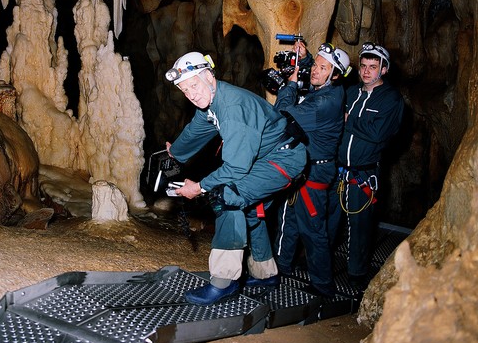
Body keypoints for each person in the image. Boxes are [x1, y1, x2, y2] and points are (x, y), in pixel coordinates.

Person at [165, 51, 307, 305]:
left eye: (194, 85)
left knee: (227, 196)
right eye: (185, 90)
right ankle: (266, 274)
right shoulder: (212, 101)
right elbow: (197, 129)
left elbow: (235, 169)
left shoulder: (232, 107)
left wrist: (199, 187)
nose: (191, 94)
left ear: (208, 76)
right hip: (267, 158)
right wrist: (175, 152)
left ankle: (224, 281)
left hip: (283, 159)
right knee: (251, 211)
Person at [273, 42, 350, 297]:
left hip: (315, 173)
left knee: (313, 230)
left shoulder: (324, 103)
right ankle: (282, 266)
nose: (315, 71)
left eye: (322, 67)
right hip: (308, 168)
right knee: (292, 221)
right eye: (315, 65)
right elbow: (317, 79)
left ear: (335, 75)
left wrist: (291, 85)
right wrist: (305, 61)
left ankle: (322, 285)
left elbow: (281, 115)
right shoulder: (330, 90)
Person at [328, 43, 404, 291]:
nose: (366, 71)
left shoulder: (390, 99)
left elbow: (378, 133)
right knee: (329, 223)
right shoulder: (350, 92)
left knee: (359, 228)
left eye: (373, 67)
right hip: (339, 171)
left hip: (364, 174)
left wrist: (348, 120)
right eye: (363, 66)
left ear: (384, 69)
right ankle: (321, 269)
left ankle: (356, 276)